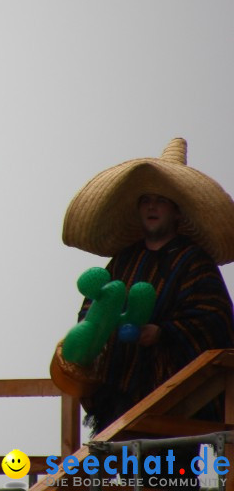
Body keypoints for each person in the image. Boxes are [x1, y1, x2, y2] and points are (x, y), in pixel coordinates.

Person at [61, 138, 234, 487]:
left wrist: (163, 332)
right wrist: (94, 332)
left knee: (168, 482)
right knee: (115, 480)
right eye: (147, 200)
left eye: (161, 201)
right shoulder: (124, 259)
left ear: (177, 211)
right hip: (118, 401)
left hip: (177, 407)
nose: (152, 207)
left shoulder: (194, 263)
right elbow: (94, 308)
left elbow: (214, 321)